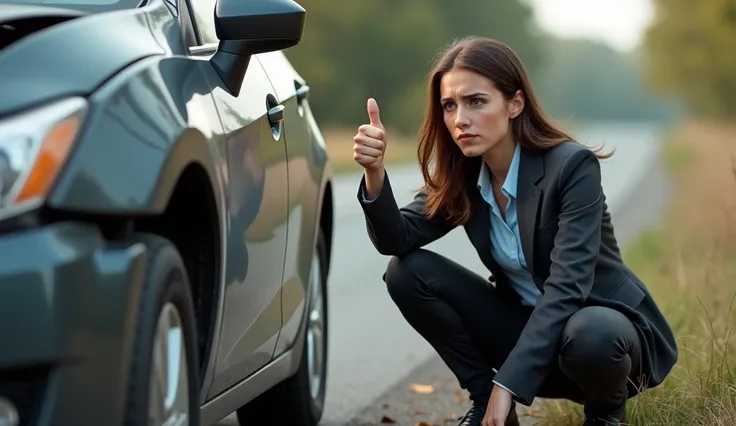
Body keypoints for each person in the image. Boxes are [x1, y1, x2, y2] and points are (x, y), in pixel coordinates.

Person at [351, 36, 678, 426]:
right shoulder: (466, 174)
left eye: (476, 102)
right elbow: (396, 238)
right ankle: (484, 404)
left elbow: (567, 288)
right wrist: (375, 174)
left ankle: (606, 417)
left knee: (592, 330)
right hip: (529, 336)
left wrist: (509, 384)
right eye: (449, 105)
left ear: (515, 103)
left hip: (604, 347)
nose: (460, 119)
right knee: (406, 272)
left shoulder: (572, 168)